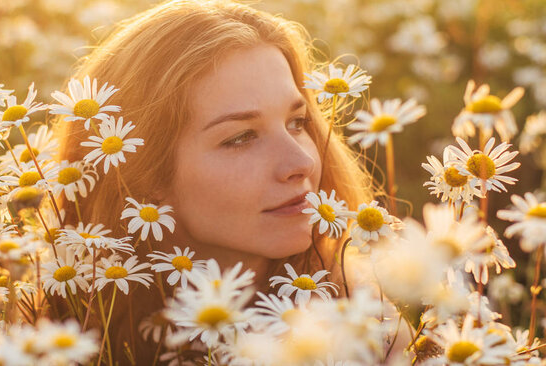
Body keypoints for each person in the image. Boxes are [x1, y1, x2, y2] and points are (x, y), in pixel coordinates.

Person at [56, 0, 376, 363]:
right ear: (141, 174)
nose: (301, 162)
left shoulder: (371, 329)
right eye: (240, 137)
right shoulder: (57, 343)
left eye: (297, 122)